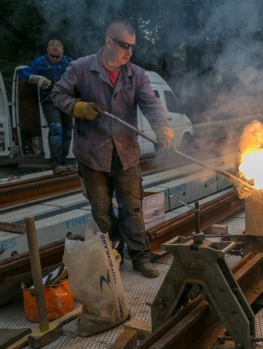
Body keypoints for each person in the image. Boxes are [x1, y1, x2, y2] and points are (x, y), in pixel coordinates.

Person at [51, 21, 175, 278]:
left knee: (132, 208)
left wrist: (162, 129)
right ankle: (115, 253)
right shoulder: (81, 68)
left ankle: (140, 257)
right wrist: (79, 108)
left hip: (125, 152)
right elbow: (58, 94)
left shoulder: (136, 74)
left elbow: (150, 105)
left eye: (132, 47)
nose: (129, 52)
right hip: (92, 154)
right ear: (108, 42)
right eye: (124, 46)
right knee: (102, 211)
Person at [18, 39, 74, 174]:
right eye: (52, 56)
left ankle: (63, 161)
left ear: (62, 52)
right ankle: (55, 163)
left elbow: (82, 73)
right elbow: (23, 73)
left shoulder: (69, 62)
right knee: (56, 129)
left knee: (67, 131)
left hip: (66, 100)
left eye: (57, 57)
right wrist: (35, 78)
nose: (55, 59)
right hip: (50, 101)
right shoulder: (41, 62)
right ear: (48, 51)